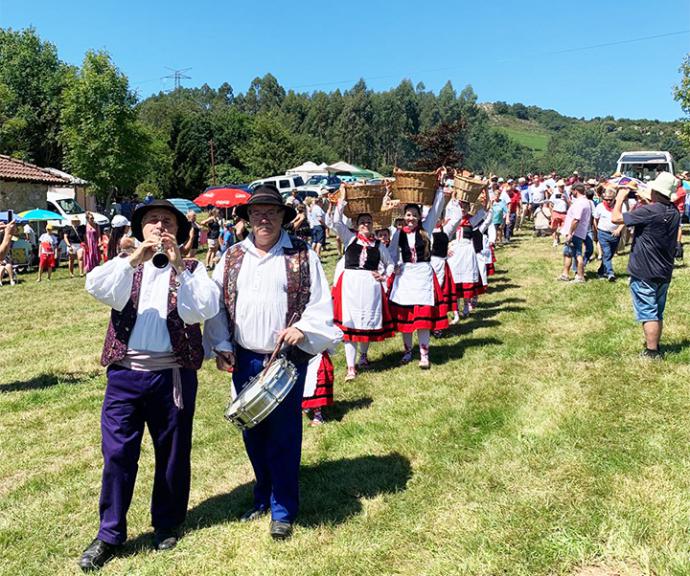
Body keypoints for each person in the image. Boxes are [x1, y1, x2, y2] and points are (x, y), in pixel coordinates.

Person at [79, 200, 220, 571]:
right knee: (117, 455)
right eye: (153, 221)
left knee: (172, 453)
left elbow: (203, 308)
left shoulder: (192, 269)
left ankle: (167, 523)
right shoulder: (125, 268)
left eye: (168, 221)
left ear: (179, 230)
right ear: (141, 229)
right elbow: (95, 286)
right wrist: (132, 259)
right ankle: (109, 533)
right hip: (125, 375)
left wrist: (178, 267)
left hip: (171, 375)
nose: (160, 226)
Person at [204, 185, 342, 540]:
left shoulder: (302, 254)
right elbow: (217, 305)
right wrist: (221, 344)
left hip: (285, 361)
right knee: (253, 432)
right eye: (256, 213)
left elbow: (319, 302)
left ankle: (283, 508)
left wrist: (303, 327)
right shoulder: (232, 256)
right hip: (246, 357)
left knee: (284, 435)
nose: (264, 218)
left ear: (283, 216)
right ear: (247, 218)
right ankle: (262, 495)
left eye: (271, 212)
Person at [611, 173, 681, 359]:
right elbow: (655, 212)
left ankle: (652, 351)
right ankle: (655, 344)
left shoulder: (650, 212)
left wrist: (619, 198)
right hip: (664, 269)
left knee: (648, 311)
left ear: (655, 191)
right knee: (657, 310)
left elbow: (616, 218)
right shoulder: (673, 211)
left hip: (645, 269)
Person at [330, 199, 395, 380]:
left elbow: (390, 264)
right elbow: (336, 222)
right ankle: (351, 367)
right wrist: (341, 204)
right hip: (351, 284)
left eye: (368, 222)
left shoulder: (379, 245)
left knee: (366, 322)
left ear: (372, 225)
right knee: (350, 324)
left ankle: (364, 356)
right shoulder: (350, 239)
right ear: (357, 226)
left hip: (370, 286)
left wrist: (383, 277)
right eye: (362, 222)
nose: (366, 225)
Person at [387, 182, 446, 369]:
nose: (410, 218)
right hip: (405, 277)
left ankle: (424, 354)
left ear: (420, 216)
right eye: (408, 215)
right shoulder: (398, 234)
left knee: (422, 318)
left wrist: (439, 187)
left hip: (422, 275)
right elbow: (391, 255)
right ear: (404, 217)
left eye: (414, 215)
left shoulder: (426, 229)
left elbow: (437, 208)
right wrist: (392, 269)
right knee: (406, 319)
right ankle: (407, 352)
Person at [557, 183, 591, 283]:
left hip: (575, 232)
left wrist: (570, 233)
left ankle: (580, 276)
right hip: (579, 231)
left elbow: (576, 219)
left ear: (575, 190)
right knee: (568, 253)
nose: (571, 192)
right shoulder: (584, 202)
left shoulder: (580, 203)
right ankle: (565, 274)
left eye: (572, 191)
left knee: (577, 254)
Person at [593, 187, 624, 281]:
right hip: (603, 233)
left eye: (610, 200)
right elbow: (595, 219)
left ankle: (601, 271)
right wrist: (597, 229)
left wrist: (618, 229)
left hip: (615, 235)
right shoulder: (600, 206)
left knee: (608, 255)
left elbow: (624, 220)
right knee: (606, 252)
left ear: (614, 198)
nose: (608, 201)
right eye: (606, 199)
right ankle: (610, 273)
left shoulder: (619, 207)